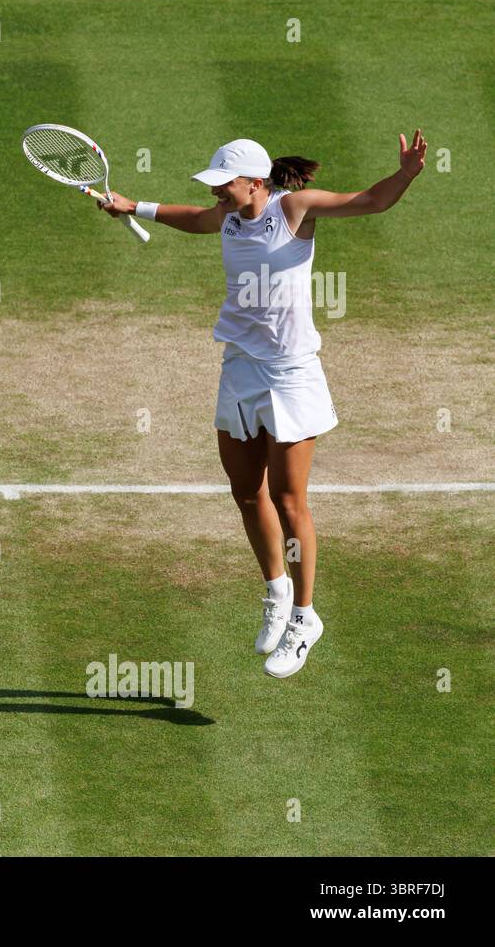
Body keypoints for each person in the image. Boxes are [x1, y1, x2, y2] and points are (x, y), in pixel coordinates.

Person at [98, 131, 427, 678]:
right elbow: (192, 218)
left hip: (292, 373)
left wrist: (407, 174)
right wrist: (135, 206)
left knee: (289, 498)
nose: (218, 195)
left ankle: (304, 617)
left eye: (224, 185)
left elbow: (369, 201)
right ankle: (276, 593)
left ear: (255, 182)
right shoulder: (227, 217)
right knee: (247, 493)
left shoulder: (293, 208)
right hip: (241, 368)